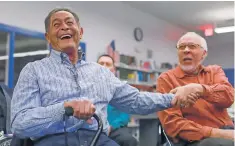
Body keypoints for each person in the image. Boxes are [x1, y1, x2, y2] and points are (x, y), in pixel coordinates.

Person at [10, 8, 197, 146]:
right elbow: (20, 124)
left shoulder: (101, 73)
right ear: (48, 37)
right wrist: (64, 109)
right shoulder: (33, 70)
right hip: (53, 141)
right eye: (56, 25)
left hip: (98, 139)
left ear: (80, 32)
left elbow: (136, 100)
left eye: (69, 22)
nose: (64, 27)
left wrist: (174, 98)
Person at [157, 32, 234, 146]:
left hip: (227, 130)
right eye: (182, 47)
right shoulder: (166, 79)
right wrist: (218, 133)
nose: (186, 50)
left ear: (204, 54)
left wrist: (199, 89)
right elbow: (172, 124)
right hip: (196, 139)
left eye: (192, 46)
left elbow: (228, 97)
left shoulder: (214, 71)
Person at [97, 54, 138, 146]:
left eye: (108, 64)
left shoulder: (120, 89)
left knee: (130, 141)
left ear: (114, 70)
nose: (104, 66)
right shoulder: (88, 87)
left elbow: (124, 116)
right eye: (101, 63)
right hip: (94, 129)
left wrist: (111, 127)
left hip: (114, 129)